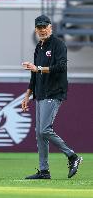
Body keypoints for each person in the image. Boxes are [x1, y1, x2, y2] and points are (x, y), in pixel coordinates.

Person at [21, 15, 82, 179]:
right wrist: (27, 95)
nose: (42, 30)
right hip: (40, 93)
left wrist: (38, 68)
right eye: (39, 27)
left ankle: (72, 156)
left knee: (44, 129)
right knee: (39, 133)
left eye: (45, 27)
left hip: (54, 91)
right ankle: (44, 171)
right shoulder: (38, 47)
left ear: (51, 27)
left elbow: (61, 67)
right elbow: (34, 75)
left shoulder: (58, 44)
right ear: (35, 29)